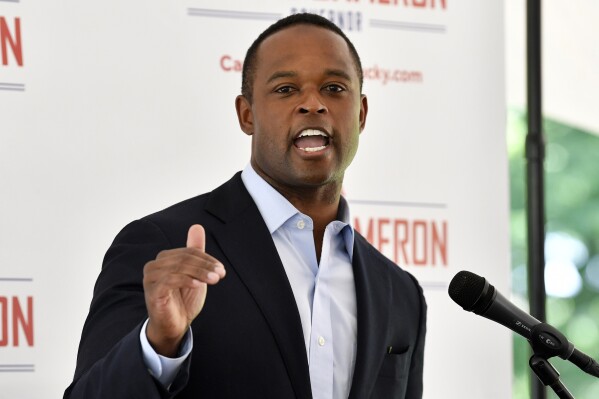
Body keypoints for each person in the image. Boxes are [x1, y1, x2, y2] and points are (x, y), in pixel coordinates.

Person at [64, 12, 426, 399]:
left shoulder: (401, 293)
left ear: (361, 113)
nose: (312, 104)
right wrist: (158, 344)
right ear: (246, 114)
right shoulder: (162, 247)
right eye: (286, 89)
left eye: (334, 88)